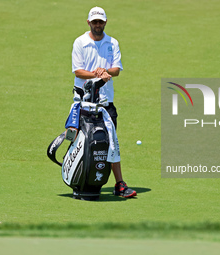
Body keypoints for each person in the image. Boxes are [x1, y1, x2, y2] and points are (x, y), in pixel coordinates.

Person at [71, 6, 136, 198]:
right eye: (94, 22)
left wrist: (105, 72)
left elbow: (116, 69)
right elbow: (78, 71)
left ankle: (119, 184)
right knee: (78, 141)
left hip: (106, 103)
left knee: (111, 143)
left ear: (105, 22)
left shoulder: (112, 42)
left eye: (100, 21)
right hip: (84, 102)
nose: (97, 25)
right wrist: (97, 74)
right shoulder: (80, 42)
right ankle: (78, 178)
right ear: (88, 23)